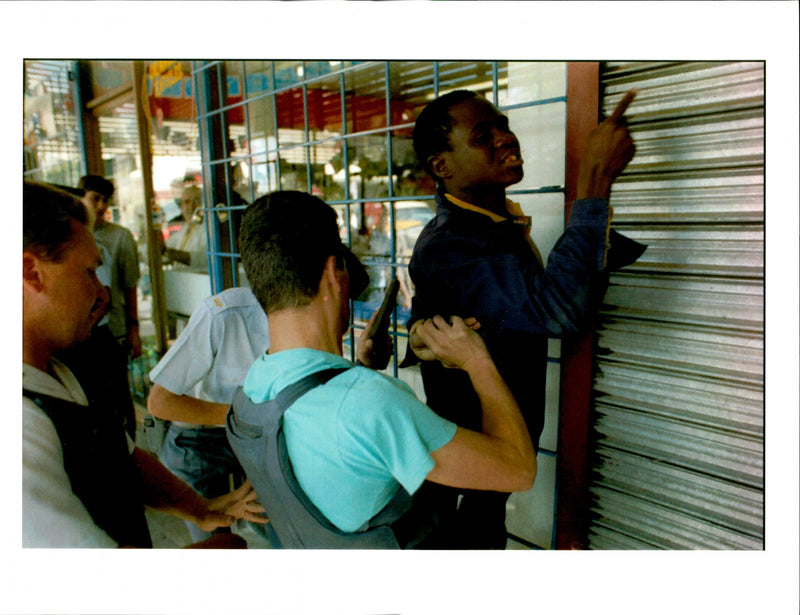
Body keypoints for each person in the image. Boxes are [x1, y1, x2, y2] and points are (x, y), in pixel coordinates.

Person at [403, 89, 647, 549]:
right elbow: (558, 310)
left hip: (484, 468)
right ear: (442, 166)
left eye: (503, 125)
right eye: (482, 136)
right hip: (467, 481)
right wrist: (595, 177)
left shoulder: (484, 227)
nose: (505, 138)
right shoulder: (454, 242)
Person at [227, 190, 536, 549]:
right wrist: (476, 360)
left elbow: (333, 447)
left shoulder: (252, 389)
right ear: (332, 274)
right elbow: (519, 469)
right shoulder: (370, 405)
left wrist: (359, 371)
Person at [22, 181, 266, 548]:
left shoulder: (63, 369)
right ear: (32, 272)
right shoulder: (22, 426)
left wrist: (198, 507)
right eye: (90, 272)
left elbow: (121, 459)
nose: (102, 294)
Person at [78, 175, 142, 358]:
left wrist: (133, 329)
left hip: (114, 330)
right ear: (81, 198)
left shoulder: (121, 237)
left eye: (105, 200)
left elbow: (130, 285)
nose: (101, 206)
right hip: (78, 331)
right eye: (95, 198)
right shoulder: (71, 235)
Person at [164, 184, 208, 269]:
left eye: (197, 202)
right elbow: (166, 248)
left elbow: (202, 259)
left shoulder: (208, 230)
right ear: (181, 206)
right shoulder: (184, 230)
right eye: (187, 202)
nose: (191, 207)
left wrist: (167, 252)